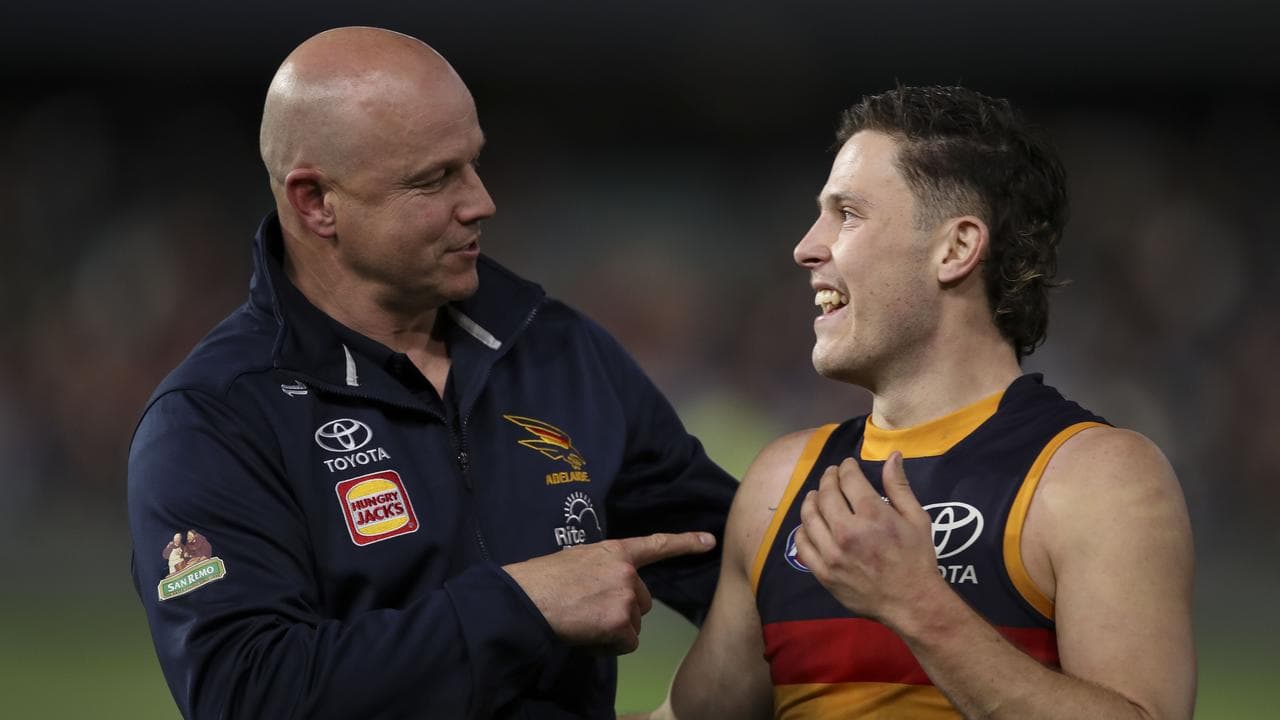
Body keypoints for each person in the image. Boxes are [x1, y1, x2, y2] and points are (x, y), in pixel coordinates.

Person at [127, 27, 737, 719]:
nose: (480, 201)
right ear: (314, 202)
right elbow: (248, 692)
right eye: (435, 178)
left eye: (474, 164)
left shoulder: (558, 352)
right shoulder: (215, 418)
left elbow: (745, 565)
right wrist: (520, 607)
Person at [641, 86, 1195, 719]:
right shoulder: (780, 481)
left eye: (846, 213)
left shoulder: (1096, 478)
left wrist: (918, 605)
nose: (805, 247)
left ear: (956, 249)